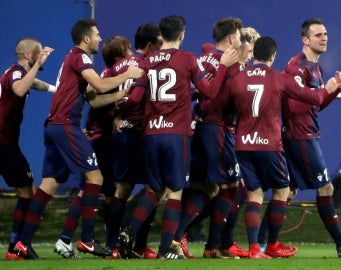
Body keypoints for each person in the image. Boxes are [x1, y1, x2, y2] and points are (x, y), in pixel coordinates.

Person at [14, 18, 144, 260]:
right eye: (96, 35)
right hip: (65, 125)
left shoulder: (73, 60)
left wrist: (122, 93)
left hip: (54, 126)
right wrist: (128, 74)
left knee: (49, 185)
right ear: (86, 38)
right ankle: (87, 240)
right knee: (95, 178)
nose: (99, 38)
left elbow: (95, 99)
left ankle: (21, 243)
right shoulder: (80, 57)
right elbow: (100, 84)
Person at [203, 36, 340, 259]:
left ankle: (255, 249)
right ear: (273, 56)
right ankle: (273, 244)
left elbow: (215, 105)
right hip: (269, 144)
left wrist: (197, 110)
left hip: (242, 145)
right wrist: (330, 89)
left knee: (255, 193)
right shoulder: (280, 78)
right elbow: (312, 97)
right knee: (282, 190)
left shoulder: (236, 79)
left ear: (254, 54)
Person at [118, 14, 239, 260]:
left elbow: (135, 101)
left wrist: (119, 111)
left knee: (153, 189)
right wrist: (223, 65)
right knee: (175, 192)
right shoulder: (188, 59)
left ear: (161, 36)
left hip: (151, 133)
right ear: (182, 35)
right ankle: (166, 249)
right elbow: (211, 93)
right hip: (176, 134)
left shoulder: (148, 61)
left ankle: (128, 230)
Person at [279, 18, 341, 257]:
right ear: (305, 40)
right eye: (318, 35)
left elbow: (315, 106)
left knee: (288, 191)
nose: (324, 38)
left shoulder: (316, 68)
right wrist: (325, 90)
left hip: (305, 132)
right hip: (299, 135)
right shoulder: (296, 67)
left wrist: (333, 91)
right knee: (326, 187)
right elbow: (293, 108)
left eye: (325, 34)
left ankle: (264, 243)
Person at [54, 35, 134, 259]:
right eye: (128, 51)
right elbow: (97, 102)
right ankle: (101, 243)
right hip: (101, 140)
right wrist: (118, 110)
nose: (132, 56)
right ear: (119, 57)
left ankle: (67, 238)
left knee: (99, 190)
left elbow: (95, 101)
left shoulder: (105, 75)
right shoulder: (107, 77)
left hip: (101, 139)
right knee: (97, 189)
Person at [173, 17, 246, 259]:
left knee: (207, 186)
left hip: (200, 128)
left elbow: (194, 91)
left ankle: (178, 236)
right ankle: (212, 246)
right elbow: (231, 99)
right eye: (239, 36)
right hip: (219, 129)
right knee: (232, 187)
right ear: (231, 39)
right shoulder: (230, 63)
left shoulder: (203, 58)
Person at [106, 22, 163, 259]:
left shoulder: (116, 66)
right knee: (154, 188)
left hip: (119, 134)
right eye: (158, 45)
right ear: (150, 45)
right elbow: (141, 97)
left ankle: (113, 246)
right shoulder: (145, 65)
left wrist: (114, 116)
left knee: (123, 188)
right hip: (138, 134)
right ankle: (139, 244)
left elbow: (101, 91)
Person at [0, 38, 54, 260]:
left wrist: (55, 89)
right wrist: (37, 63)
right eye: (38, 53)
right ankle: (15, 247)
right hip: (3, 143)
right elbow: (21, 89)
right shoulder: (15, 74)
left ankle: (16, 246)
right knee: (27, 192)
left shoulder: (17, 73)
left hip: (7, 143)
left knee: (27, 191)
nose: (42, 56)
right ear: (27, 55)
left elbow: (32, 83)